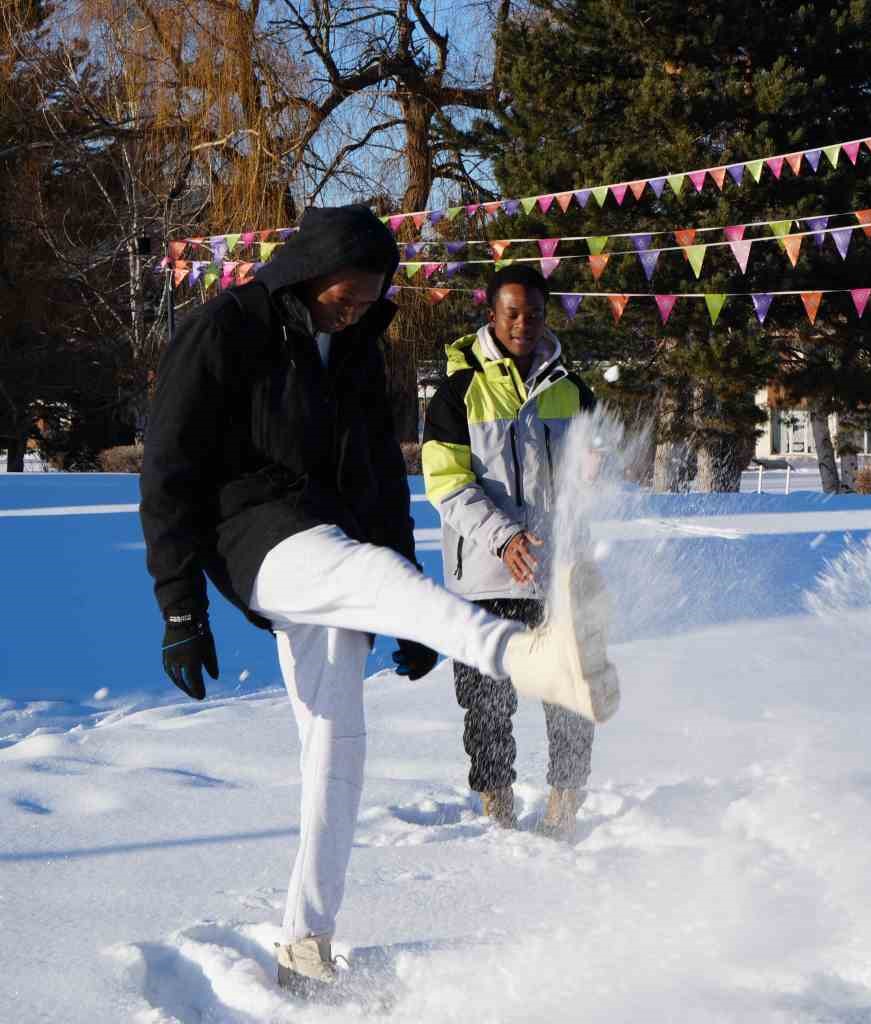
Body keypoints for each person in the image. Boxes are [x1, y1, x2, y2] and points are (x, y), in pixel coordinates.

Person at [138, 206, 614, 997]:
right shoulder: (228, 327)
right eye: (343, 296)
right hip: (250, 533)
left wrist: (411, 621)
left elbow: (379, 479)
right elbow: (168, 470)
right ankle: (521, 656)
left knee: (337, 744)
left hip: (330, 533)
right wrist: (180, 607)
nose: (353, 310)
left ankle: (305, 940)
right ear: (308, 269)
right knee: (369, 576)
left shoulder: (356, 348)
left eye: (367, 300)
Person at [421, 264, 598, 839]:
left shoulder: (572, 390)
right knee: (486, 705)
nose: (524, 323)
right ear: (491, 315)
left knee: (571, 695)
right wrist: (505, 536)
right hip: (485, 579)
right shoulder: (457, 393)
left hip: (556, 580)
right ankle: (498, 814)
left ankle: (562, 811)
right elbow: (446, 484)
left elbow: (593, 475)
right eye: (512, 312)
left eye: (535, 313)